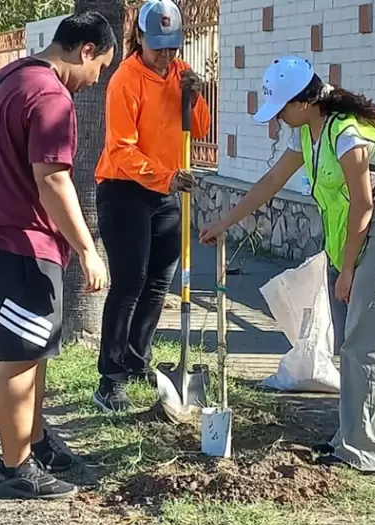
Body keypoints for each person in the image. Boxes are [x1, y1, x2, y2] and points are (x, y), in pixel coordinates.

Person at [199, 56, 375, 475]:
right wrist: (225, 221)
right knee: (357, 339)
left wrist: (346, 269)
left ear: (305, 102)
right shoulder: (308, 133)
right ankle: (352, 439)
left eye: (283, 109)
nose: (281, 118)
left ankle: (364, 452)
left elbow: (363, 204)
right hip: (365, 229)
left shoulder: (344, 133)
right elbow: (271, 181)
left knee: (364, 340)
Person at [0, 12, 115, 499]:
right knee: (18, 361)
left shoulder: (8, 77)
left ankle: (34, 440)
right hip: (19, 246)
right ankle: (14, 469)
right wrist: (88, 249)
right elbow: (52, 179)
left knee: (33, 352)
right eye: (100, 67)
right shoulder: (50, 97)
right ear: (85, 50)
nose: (95, 81)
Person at [91, 0, 211, 412]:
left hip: (165, 192)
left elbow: (199, 128)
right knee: (129, 283)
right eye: (158, 46)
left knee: (159, 283)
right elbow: (121, 150)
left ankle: (137, 360)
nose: (166, 55)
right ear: (139, 38)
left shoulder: (179, 73)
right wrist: (165, 177)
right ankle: (110, 379)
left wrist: (195, 97)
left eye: (172, 46)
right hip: (124, 190)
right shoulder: (125, 80)